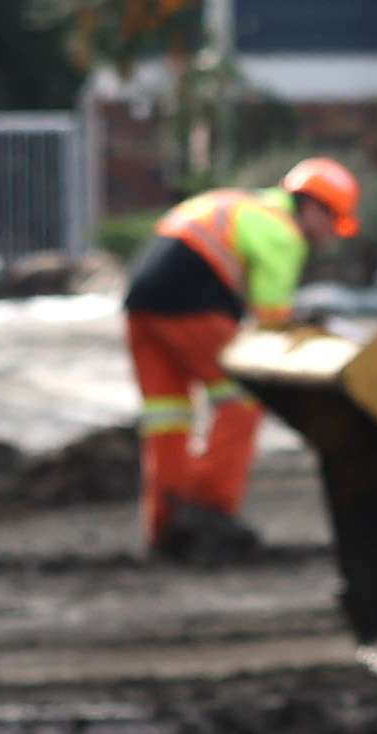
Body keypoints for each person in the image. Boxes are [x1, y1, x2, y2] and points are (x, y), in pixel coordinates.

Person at [121, 156, 357, 563]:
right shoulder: (282, 234)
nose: (331, 235)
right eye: (333, 222)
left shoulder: (240, 205)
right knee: (243, 399)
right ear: (313, 207)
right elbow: (269, 328)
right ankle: (210, 515)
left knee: (168, 418)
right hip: (190, 302)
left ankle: (165, 530)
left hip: (140, 304)